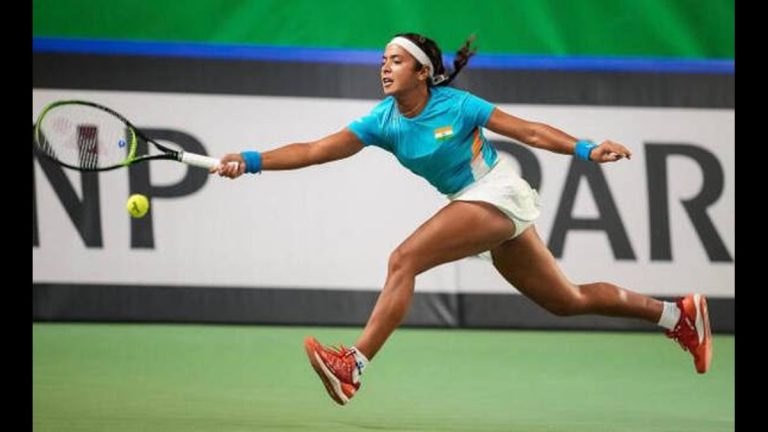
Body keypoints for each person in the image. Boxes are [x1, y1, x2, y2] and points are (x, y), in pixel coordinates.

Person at [212, 33, 713, 406]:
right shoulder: (381, 121)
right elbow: (314, 149)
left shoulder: (458, 105)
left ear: (423, 72)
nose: (385, 68)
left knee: (404, 259)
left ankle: (353, 366)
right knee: (567, 300)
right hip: (476, 203)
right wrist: (251, 160)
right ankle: (677, 316)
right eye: (383, 60)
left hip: (496, 193)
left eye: (396, 60)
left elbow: (528, 131)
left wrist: (586, 148)